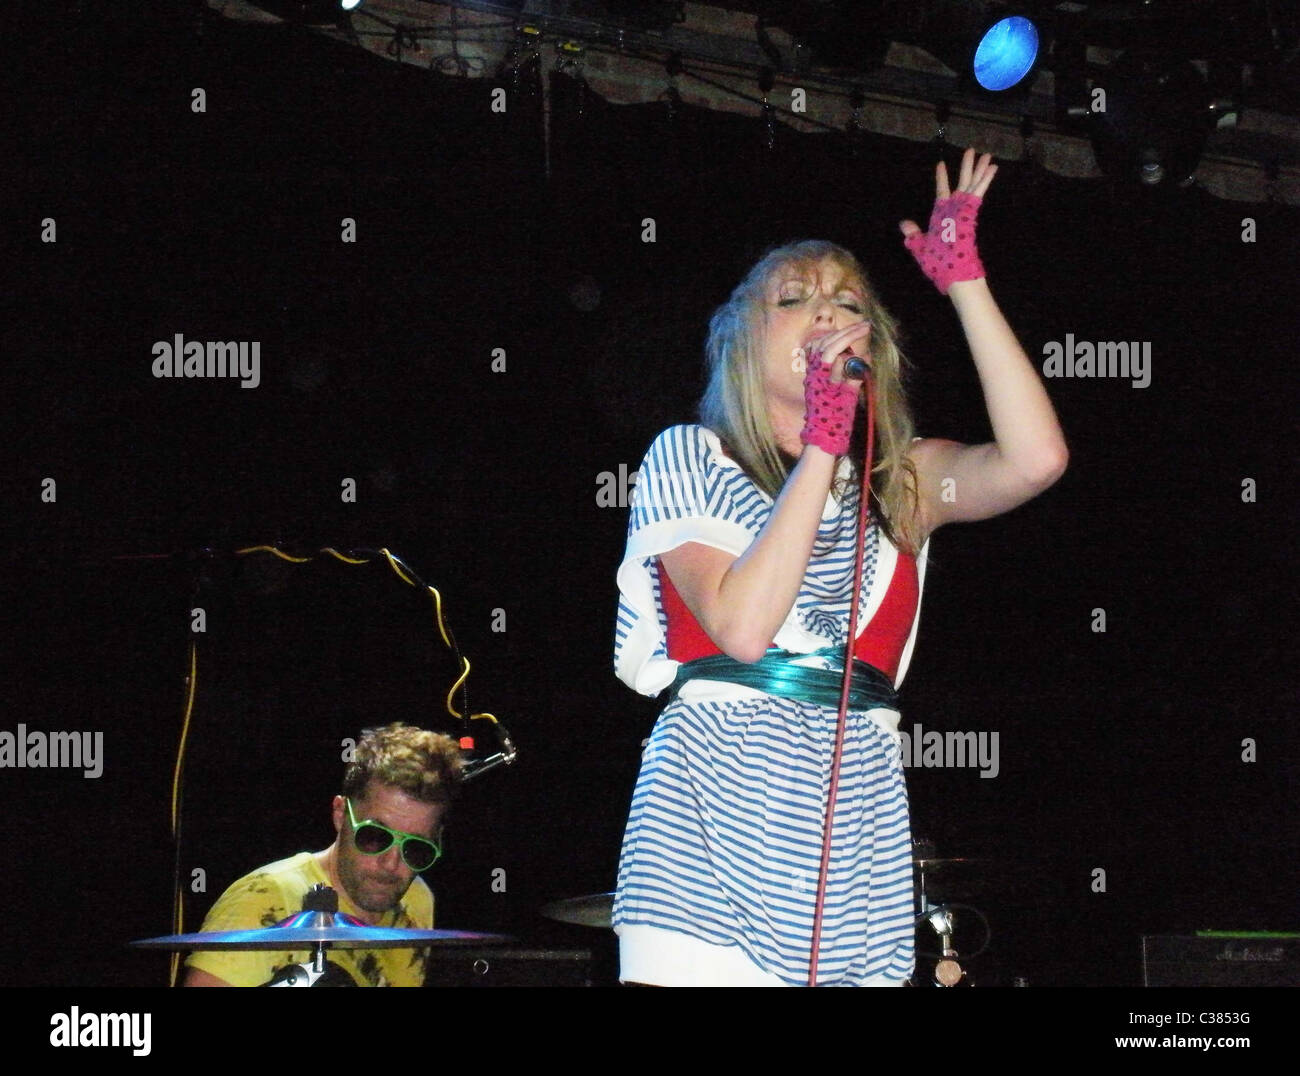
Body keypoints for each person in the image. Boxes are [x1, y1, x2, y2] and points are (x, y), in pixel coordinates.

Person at [611, 148, 1068, 986]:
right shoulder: (688, 456)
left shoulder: (901, 482)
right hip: (710, 822)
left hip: (854, 832)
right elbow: (744, 628)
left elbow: (1036, 460)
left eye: (847, 303)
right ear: (739, 338)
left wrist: (964, 284)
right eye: (792, 299)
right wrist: (823, 443)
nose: (825, 311)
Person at [183, 722, 463, 987]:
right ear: (340, 814)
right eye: (375, 836)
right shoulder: (262, 902)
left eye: (416, 849)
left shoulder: (417, 900)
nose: (392, 863)